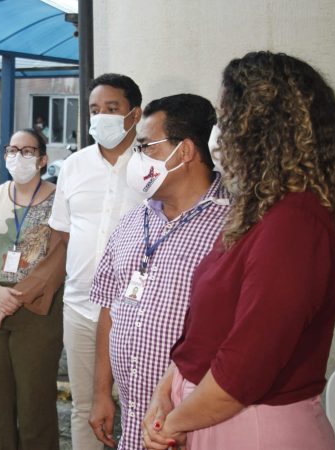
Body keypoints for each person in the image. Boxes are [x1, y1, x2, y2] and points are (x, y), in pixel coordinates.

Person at [143, 51, 335, 450]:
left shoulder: (296, 225)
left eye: (225, 114)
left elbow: (245, 369)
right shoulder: (258, 211)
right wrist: (164, 392)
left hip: (251, 429)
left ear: (258, 126)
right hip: (208, 416)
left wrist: (172, 422)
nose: (217, 131)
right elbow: (204, 331)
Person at [87, 94, 230, 450]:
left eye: (146, 147)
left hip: (195, 429)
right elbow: (109, 308)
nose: (136, 159)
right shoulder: (134, 220)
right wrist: (102, 393)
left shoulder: (234, 226)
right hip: (135, 426)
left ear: (183, 152)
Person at [49, 72, 145, 450]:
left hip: (135, 309)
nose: (101, 116)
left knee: (138, 404)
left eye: (111, 108)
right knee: (85, 407)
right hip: (80, 306)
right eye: (94, 109)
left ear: (134, 114)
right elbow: (63, 234)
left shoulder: (153, 166)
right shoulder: (74, 165)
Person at [0, 129, 67, 449]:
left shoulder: (59, 200)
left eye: (27, 151)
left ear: (43, 159)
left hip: (38, 307)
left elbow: (58, 258)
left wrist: (9, 302)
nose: (18, 157)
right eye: (12, 150)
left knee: (35, 404)